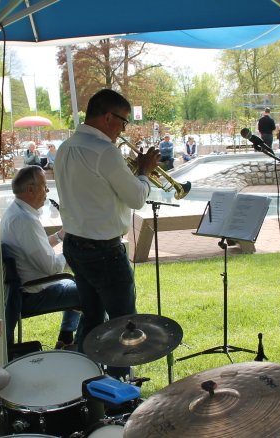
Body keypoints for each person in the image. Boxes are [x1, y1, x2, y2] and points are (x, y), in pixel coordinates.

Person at [54, 89, 159, 377]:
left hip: (75, 244)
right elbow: (137, 198)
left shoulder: (65, 148)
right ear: (108, 117)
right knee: (124, 324)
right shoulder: (105, 152)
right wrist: (145, 171)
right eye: (123, 122)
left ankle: (84, 379)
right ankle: (118, 389)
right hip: (103, 250)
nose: (124, 129)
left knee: (91, 317)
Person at [1, 166, 81, 348]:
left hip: (25, 289)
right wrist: (72, 248)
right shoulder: (26, 221)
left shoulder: (16, 212)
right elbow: (52, 268)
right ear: (30, 189)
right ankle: (81, 347)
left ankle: (66, 338)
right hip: (33, 293)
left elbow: (34, 249)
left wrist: (61, 235)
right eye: (44, 186)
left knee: (82, 282)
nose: (47, 191)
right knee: (94, 290)